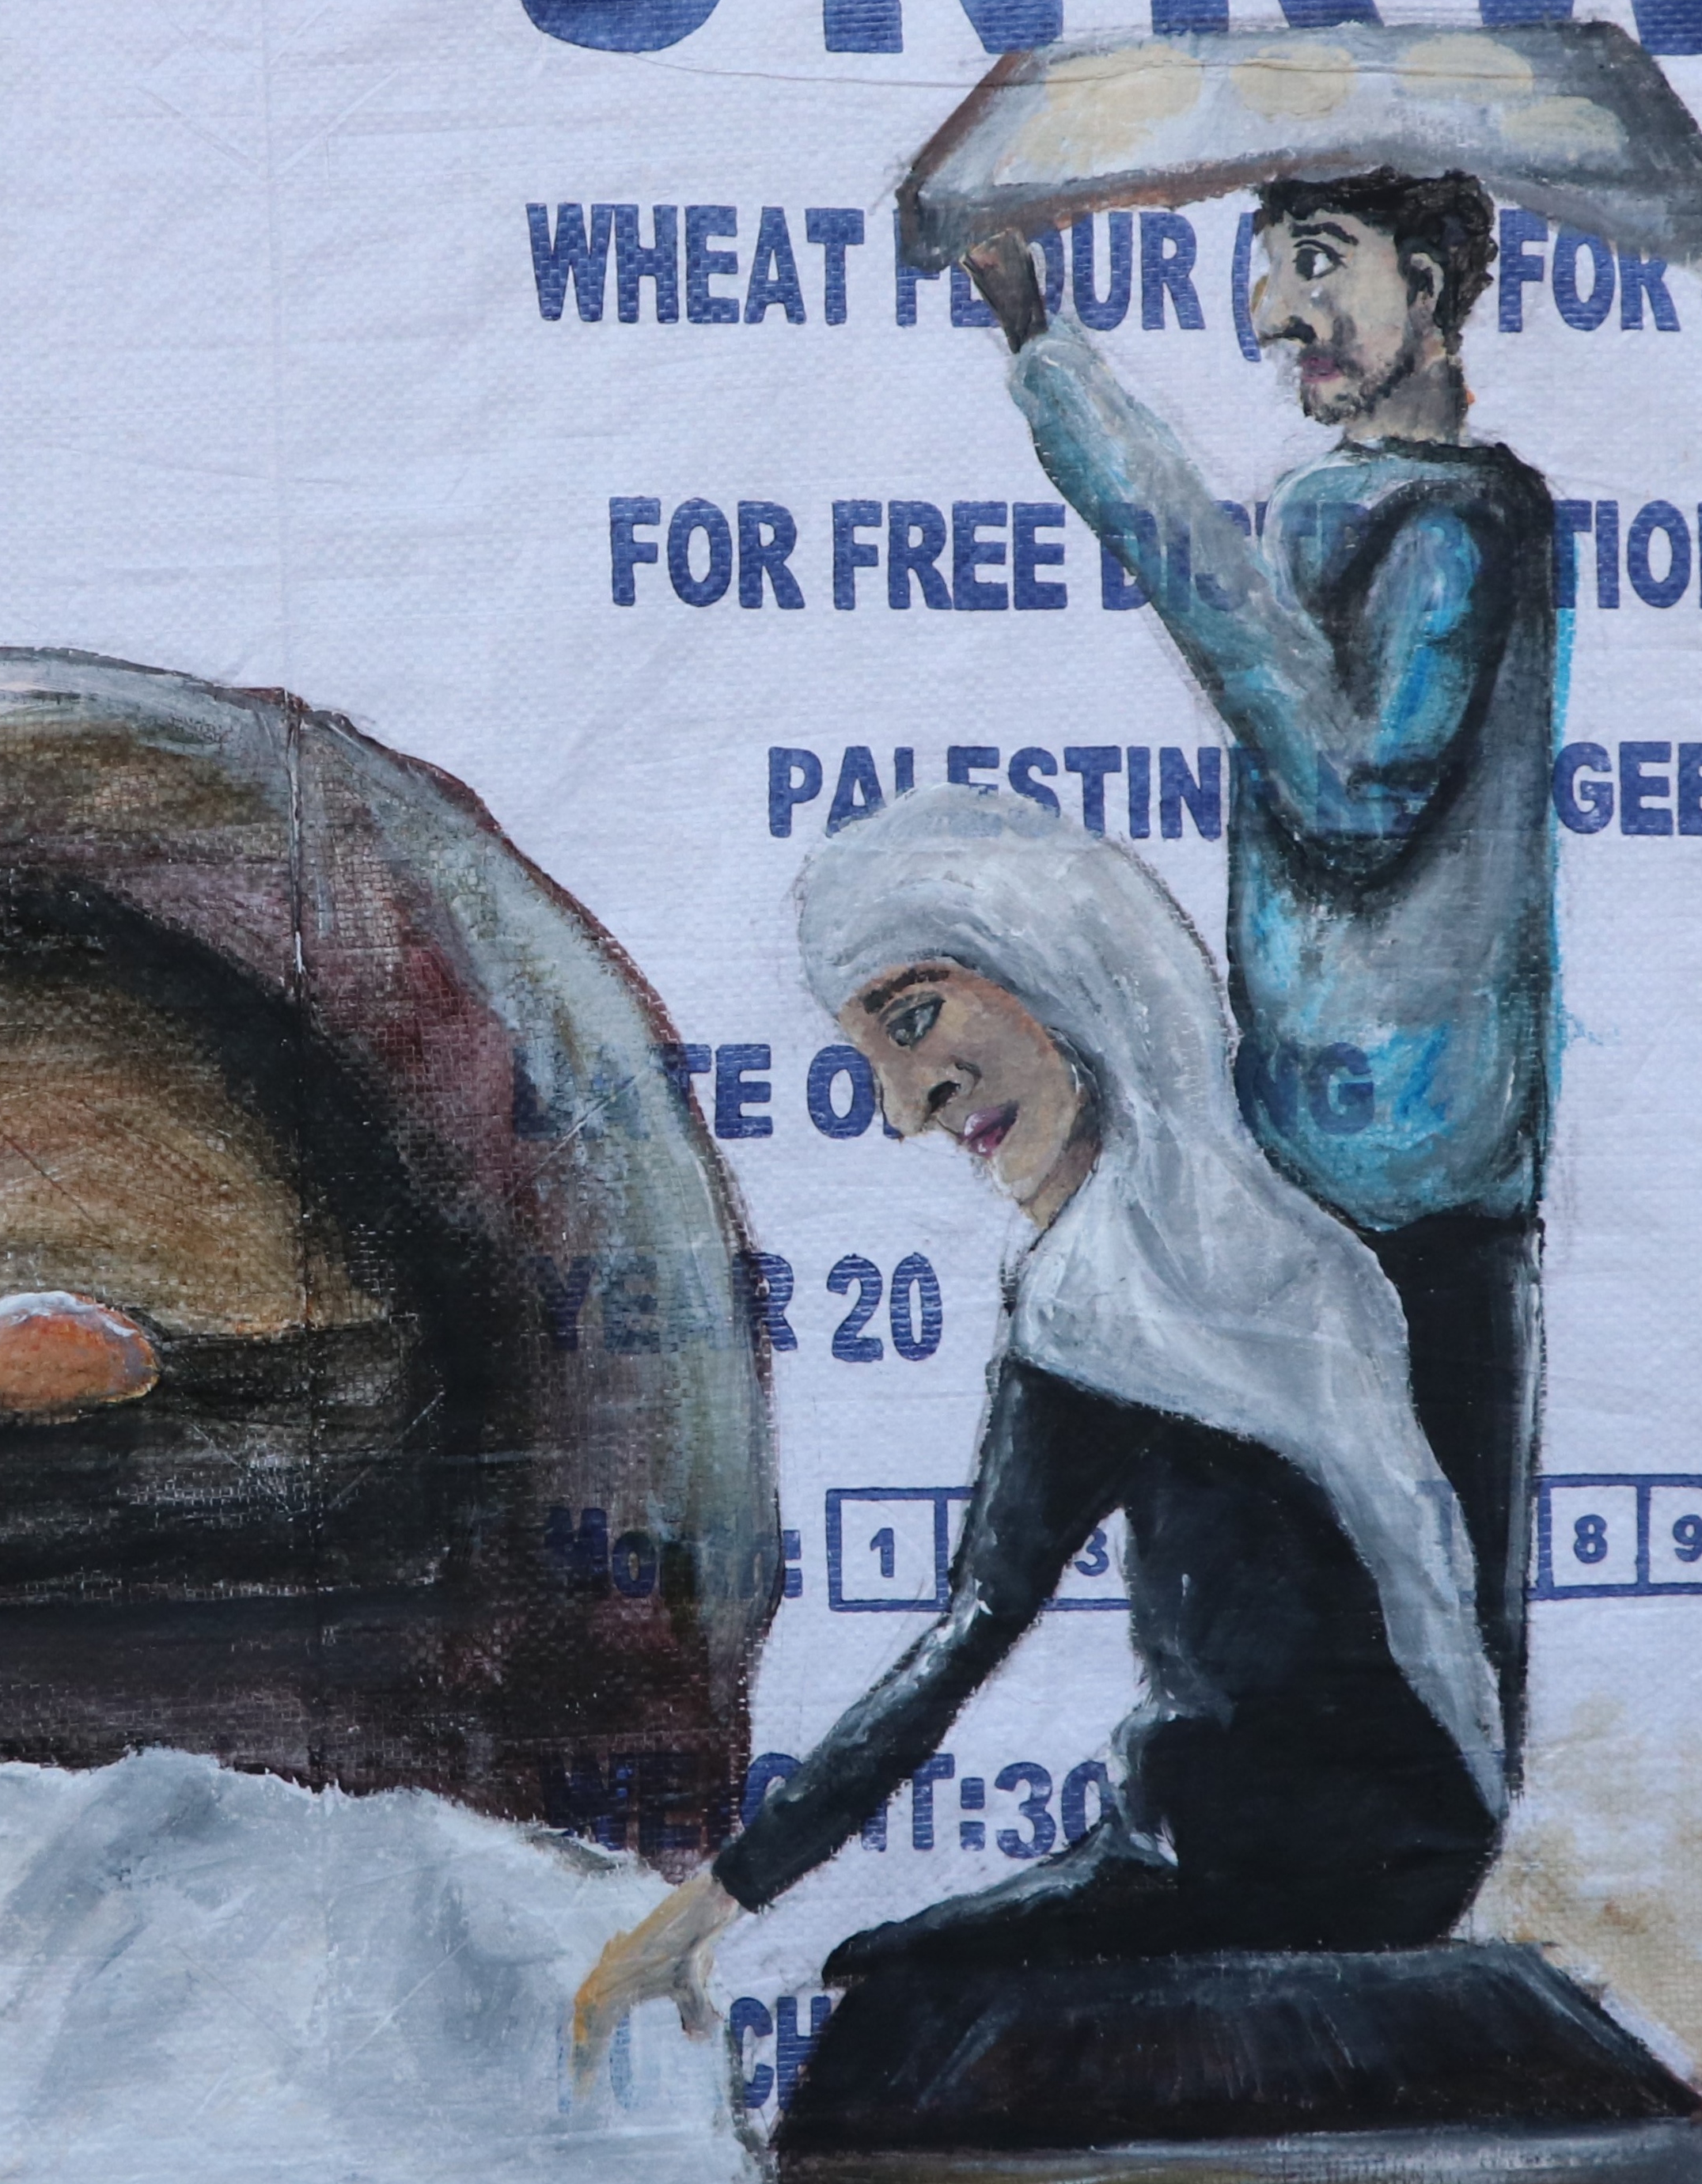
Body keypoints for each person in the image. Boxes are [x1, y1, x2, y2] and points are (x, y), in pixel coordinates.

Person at [574, 786, 1507, 2057]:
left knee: (874, 1981)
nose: (908, 1106)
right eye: (875, 1063)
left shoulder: (1092, 1296)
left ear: (1055, 961)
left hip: (1236, 1859)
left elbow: (973, 1627)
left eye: (914, 1020)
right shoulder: (1308, 1256)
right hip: (1423, 1843)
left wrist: (707, 1906)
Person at [972, 174, 1553, 1754]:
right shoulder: (1323, 510)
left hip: (1423, 1187)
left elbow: (1354, 794)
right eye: (1264, 270)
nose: (1274, 313)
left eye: (1316, 263)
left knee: (1429, 1670)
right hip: (1290, 1161)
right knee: (1278, 1642)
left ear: (1429, 283)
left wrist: (1073, 403)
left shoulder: (1463, 527)